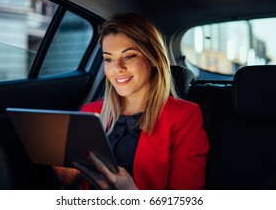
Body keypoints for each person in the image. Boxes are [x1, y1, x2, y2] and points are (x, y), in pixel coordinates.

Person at [52, 13, 209, 190]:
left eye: (129, 56)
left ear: (153, 59)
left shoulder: (183, 116)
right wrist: (71, 182)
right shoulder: (90, 111)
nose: (117, 68)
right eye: (109, 59)